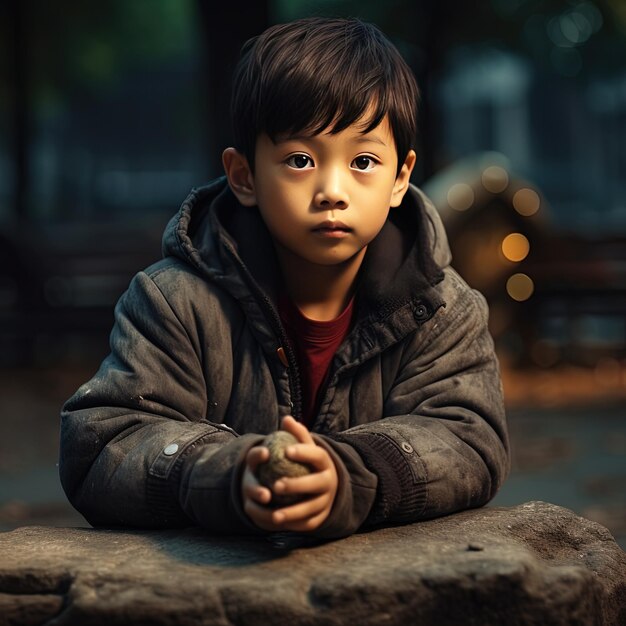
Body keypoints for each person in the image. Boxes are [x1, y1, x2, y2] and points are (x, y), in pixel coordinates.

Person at [59, 17, 509, 539]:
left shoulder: (442, 308)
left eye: (363, 160)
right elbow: (101, 446)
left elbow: (469, 438)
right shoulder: (173, 303)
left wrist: (348, 475)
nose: (332, 190)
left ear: (400, 178)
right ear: (244, 177)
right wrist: (229, 473)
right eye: (300, 159)